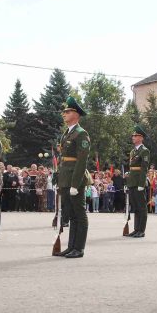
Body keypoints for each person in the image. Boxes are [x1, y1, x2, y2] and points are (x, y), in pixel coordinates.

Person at [56, 96, 90, 258]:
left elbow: (81, 162)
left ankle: (79, 248)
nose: (64, 114)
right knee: (71, 214)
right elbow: (62, 160)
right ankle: (71, 247)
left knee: (79, 213)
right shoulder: (66, 134)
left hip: (75, 179)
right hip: (65, 178)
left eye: (67, 111)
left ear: (76, 115)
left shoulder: (81, 134)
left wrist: (75, 184)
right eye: (64, 111)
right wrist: (59, 180)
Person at [126, 124, 150, 238]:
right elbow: (131, 168)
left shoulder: (144, 151)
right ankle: (136, 229)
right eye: (133, 136)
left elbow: (144, 169)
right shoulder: (132, 151)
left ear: (141, 138)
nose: (133, 137)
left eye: (135, 136)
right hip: (132, 181)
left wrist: (141, 184)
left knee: (141, 207)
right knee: (135, 206)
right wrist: (128, 182)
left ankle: (141, 230)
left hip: (139, 182)